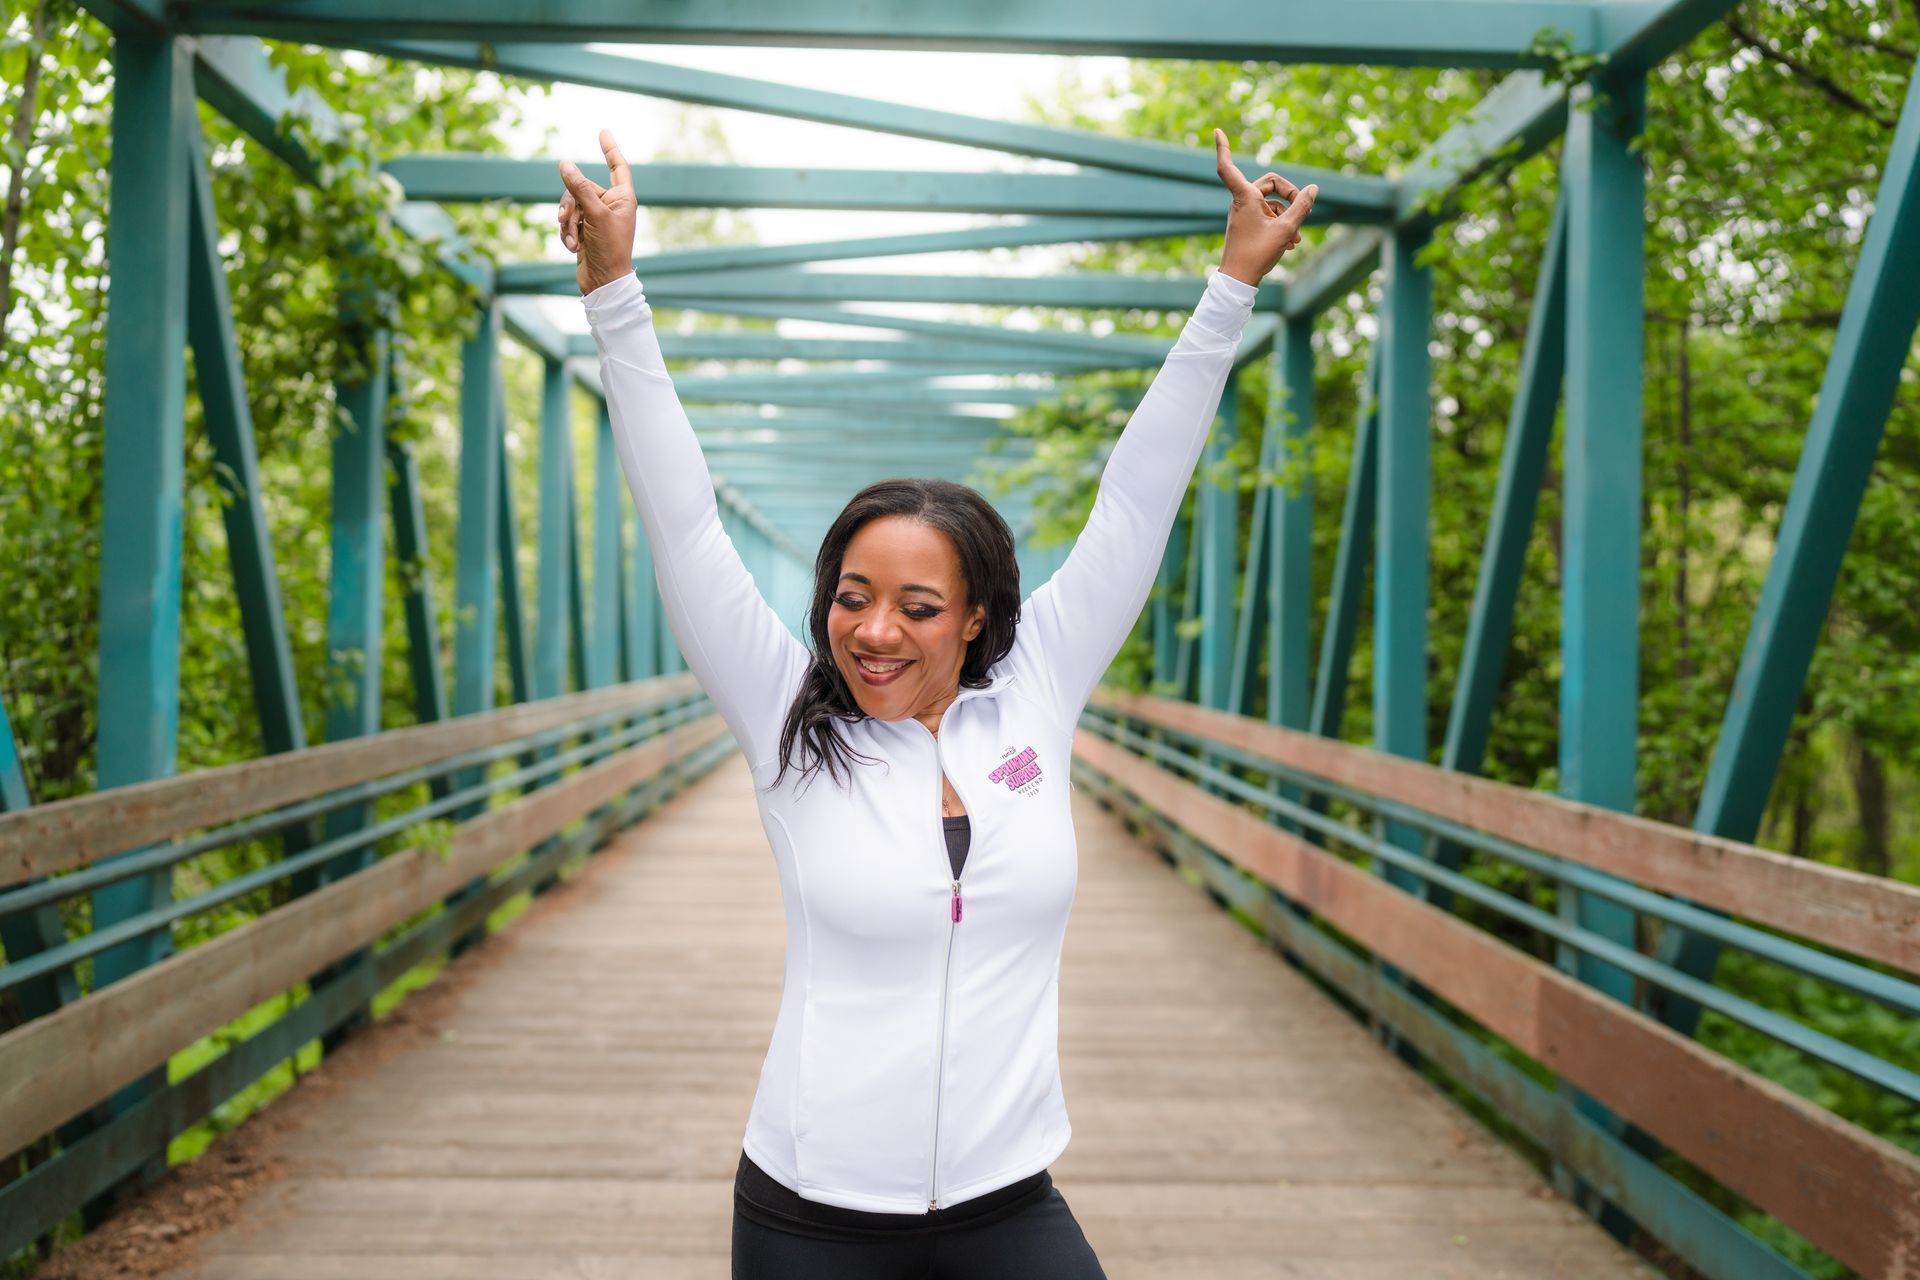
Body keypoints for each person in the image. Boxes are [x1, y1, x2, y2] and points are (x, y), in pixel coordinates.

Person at [556, 127, 1315, 1280]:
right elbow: (686, 523)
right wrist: (615, 292)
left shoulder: (1039, 687)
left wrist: (1232, 283)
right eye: (851, 597)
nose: (872, 630)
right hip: (810, 1211)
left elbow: (1137, 500)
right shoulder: (784, 717)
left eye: (917, 606)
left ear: (973, 615)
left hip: (1008, 1200)